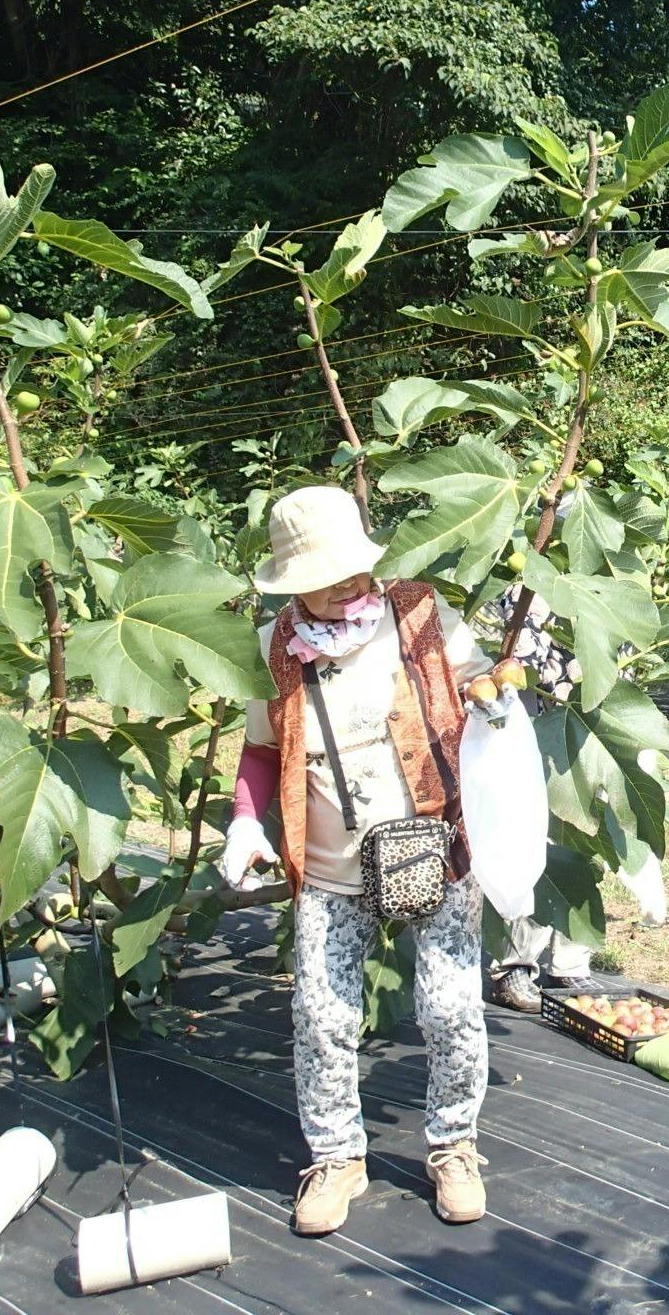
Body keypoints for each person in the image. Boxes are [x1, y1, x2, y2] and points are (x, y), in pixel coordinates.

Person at [221, 485, 520, 1235]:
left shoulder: (418, 613)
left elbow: (476, 679)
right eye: (328, 576)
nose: (351, 584)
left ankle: (454, 1146)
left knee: (450, 1007)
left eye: (356, 568)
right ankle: (336, 1158)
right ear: (294, 585)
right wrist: (246, 823)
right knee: (321, 1015)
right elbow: (261, 748)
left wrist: (493, 697)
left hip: (433, 847)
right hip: (329, 862)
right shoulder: (271, 648)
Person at [480, 583, 604, 1013]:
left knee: (580, 838)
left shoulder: (604, 582)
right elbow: (517, 665)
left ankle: (571, 960)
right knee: (527, 839)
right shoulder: (527, 585)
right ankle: (515, 964)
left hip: (582, 724)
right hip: (532, 720)